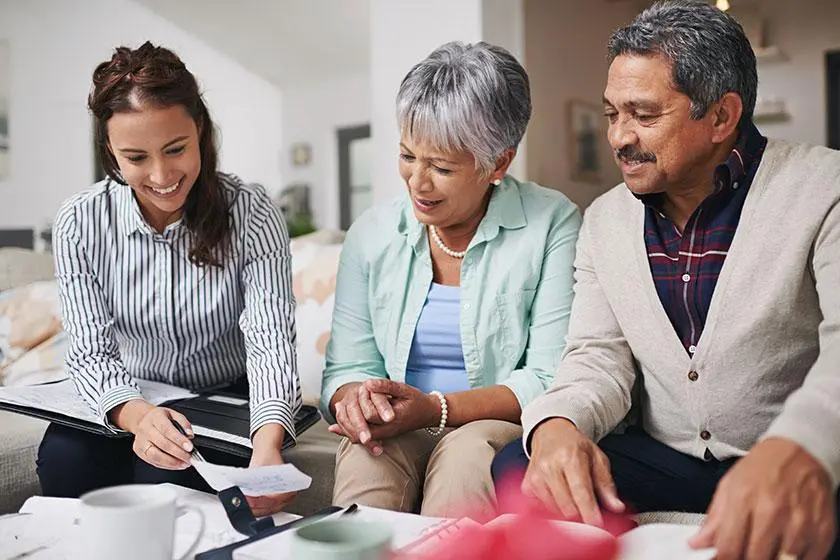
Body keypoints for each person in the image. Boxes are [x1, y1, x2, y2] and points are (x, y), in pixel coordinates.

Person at [492, 2, 840, 559]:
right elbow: (597, 356)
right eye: (611, 114)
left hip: (793, 455)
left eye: (644, 115)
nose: (619, 138)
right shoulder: (604, 221)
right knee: (518, 463)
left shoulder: (825, 188)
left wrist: (800, 447)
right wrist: (556, 423)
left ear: (722, 117)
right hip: (673, 463)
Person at [36, 42, 301, 517]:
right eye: (136, 158)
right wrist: (138, 416)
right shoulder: (79, 220)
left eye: (176, 149)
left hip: (222, 395)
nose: (161, 175)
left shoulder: (252, 211)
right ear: (110, 152)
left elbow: (270, 340)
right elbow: (90, 351)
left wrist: (266, 447)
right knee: (64, 459)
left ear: (199, 129)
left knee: (166, 474)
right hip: (130, 394)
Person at [320, 41, 581, 518]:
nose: (417, 182)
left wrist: (436, 408)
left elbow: (549, 378)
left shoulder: (552, 223)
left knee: (466, 457)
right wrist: (356, 401)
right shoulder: (373, 234)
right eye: (407, 156)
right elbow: (345, 368)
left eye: (441, 167)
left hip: (493, 423)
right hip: (401, 422)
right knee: (366, 455)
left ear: (498, 163)